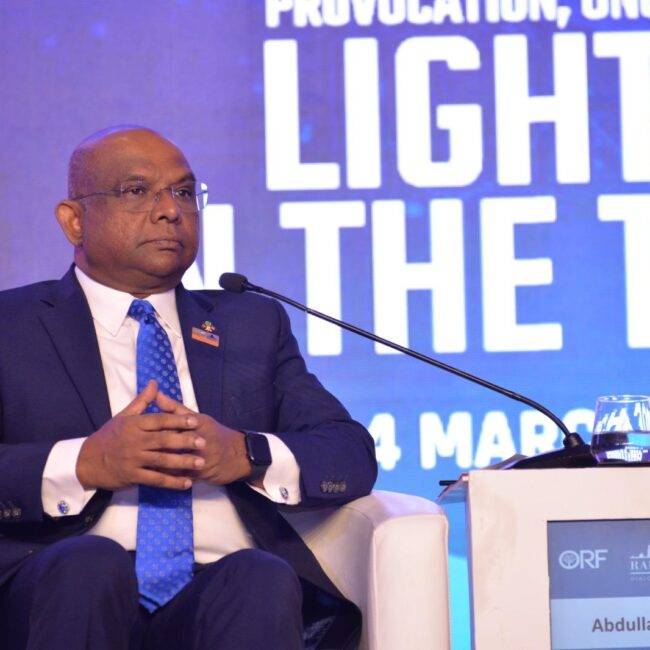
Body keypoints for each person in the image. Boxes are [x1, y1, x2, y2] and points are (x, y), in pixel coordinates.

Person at [0, 126, 377, 650]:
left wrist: (244, 453)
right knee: (90, 564)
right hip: (60, 592)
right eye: (137, 191)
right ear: (74, 220)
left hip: (219, 596)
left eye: (182, 192)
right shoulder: (12, 325)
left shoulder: (250, 323)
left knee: (259, 576)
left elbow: (349, 451)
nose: (170, 211)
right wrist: (85, 463)